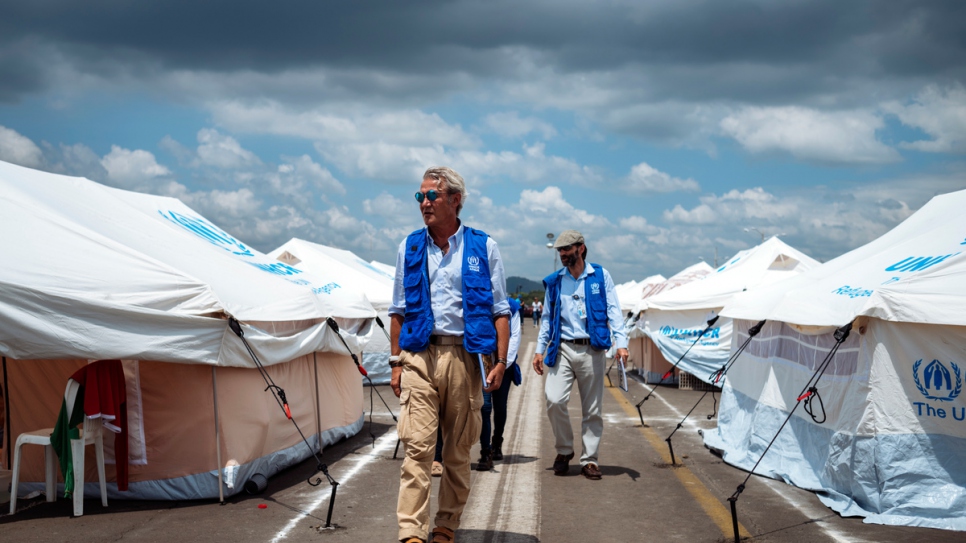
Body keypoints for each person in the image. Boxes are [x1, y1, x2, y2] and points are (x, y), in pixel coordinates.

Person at [389, 166, 511, 543]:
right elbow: (397, 310)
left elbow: (500, 310)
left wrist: (501, 362)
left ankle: (445, 525)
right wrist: (395, 363)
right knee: (418, 448)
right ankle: (411, 531)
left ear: (456, 200)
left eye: (432, 196)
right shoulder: (408, 246)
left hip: (464, 356)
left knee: (457, 451)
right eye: (419, 196)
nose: (424, 203)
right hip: (419, 356)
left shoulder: (483, 246)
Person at [532, 230, 628, 480]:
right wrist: (539, 350)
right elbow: (546, 319)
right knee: (553, 400)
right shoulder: (555, 281)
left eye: (566, 249)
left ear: (581, 248)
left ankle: (590, 460)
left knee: (593, 409)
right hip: (562, 348)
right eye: (559, 250)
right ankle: (564, 450)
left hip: (592, 348)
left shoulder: (599, 276)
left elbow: (614, 311)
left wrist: (622, 343)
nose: (562, 254)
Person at [476, 296, 523, 471]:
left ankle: (497, 441)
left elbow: (515, 337)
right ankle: (485, 451)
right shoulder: (478, 301)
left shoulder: (512, 307)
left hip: (505, 365)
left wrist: (502, 364)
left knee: (500, 407)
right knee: (485, 407)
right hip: (484, 363)